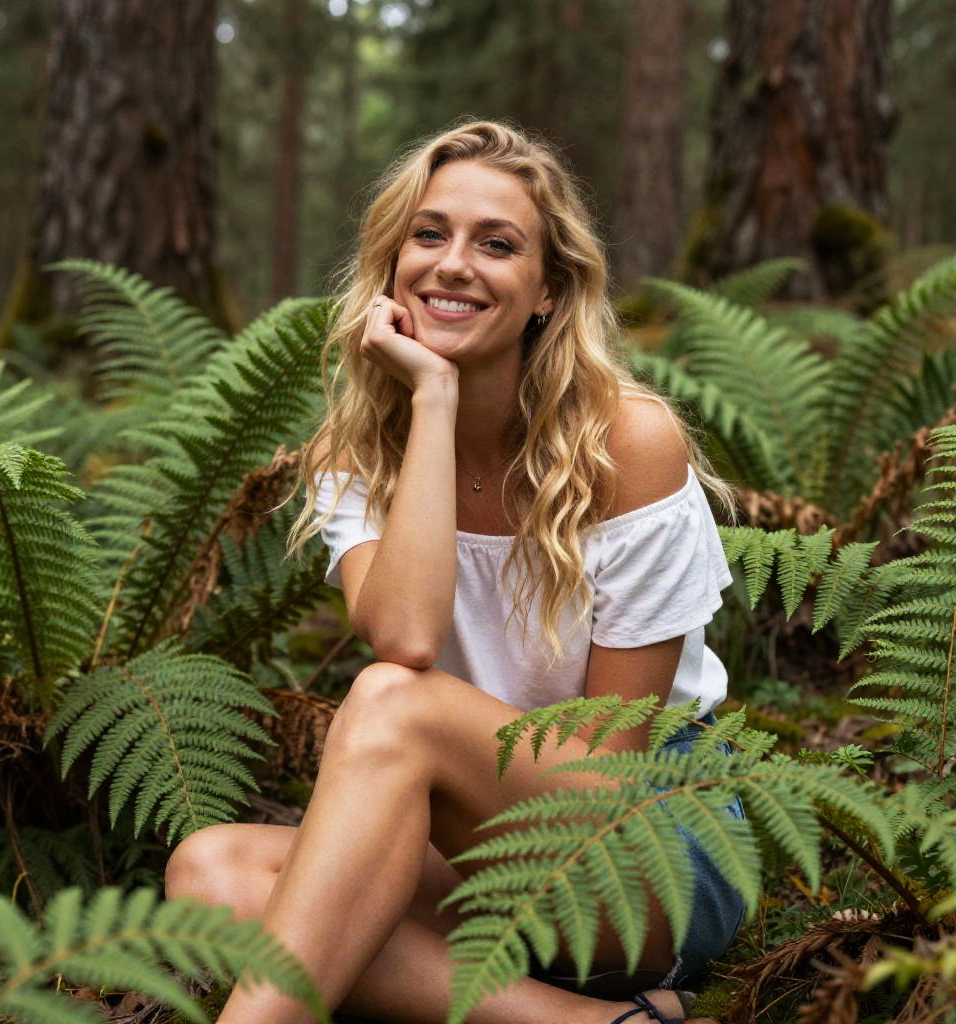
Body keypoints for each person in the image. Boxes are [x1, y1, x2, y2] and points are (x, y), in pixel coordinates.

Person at [165, 120, 744, 1024]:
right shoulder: (357, 451)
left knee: (396, 704)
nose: (452, 264)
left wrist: (437, 752)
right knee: (209, 877)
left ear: (549, 290)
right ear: (391, 266)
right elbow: (407, 631)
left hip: (653, 851)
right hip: (481, 837)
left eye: (497, 244)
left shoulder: (627, 442)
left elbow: (611, 771)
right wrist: (432, 402)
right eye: (428, 235)